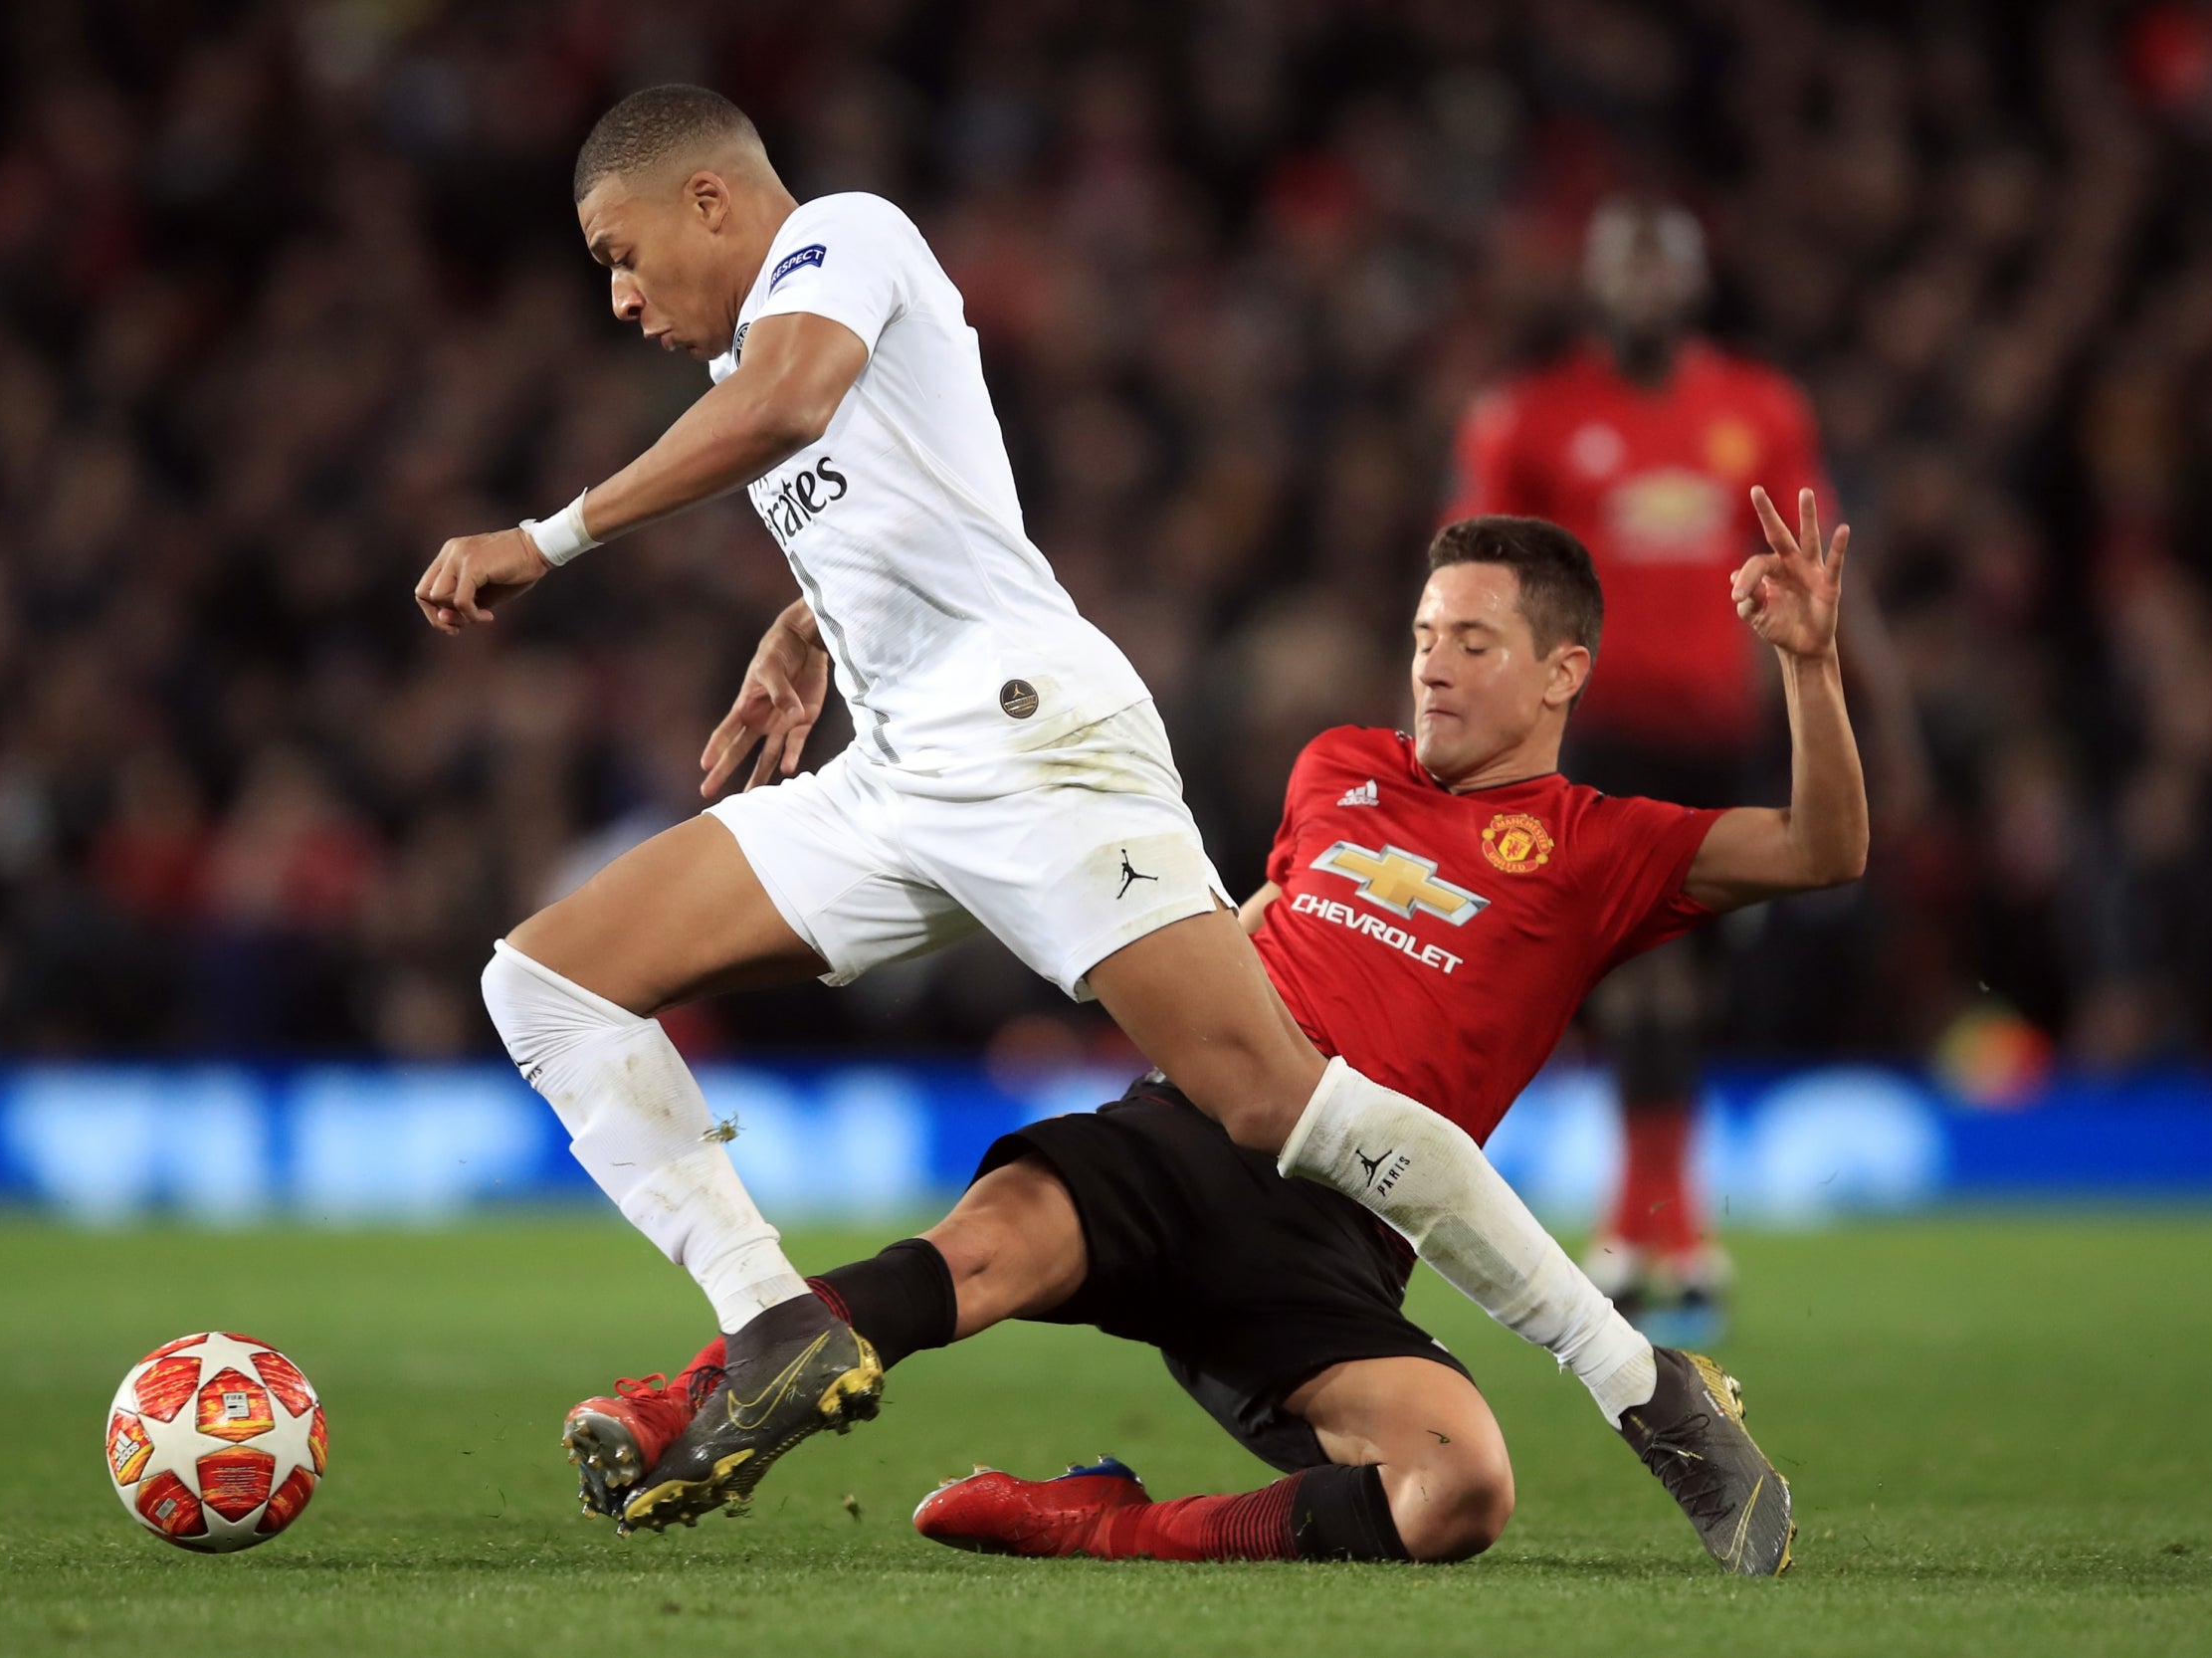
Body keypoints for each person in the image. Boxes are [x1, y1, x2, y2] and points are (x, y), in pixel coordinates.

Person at [417, 85, 1716, 1543]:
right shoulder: (783, 335)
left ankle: (1638, 1378)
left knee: (1271, 1100)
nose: (618, 294)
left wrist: (547, 537)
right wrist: (814, 621)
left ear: (708, 200)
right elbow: (921, 496)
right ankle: (773, 1318)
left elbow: (785, 402)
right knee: (544, 978)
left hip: (1032, 744)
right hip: (902, 770)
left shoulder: (840, 238)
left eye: (619, 248)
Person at [577, 498, 1864, 1576]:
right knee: (973, 1256)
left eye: (1474, 641)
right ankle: (673, 1403)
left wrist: (1807, 661)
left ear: (1563, 670)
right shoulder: (1336, 768)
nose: (1432, 664)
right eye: (1425, 635)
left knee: (1458, 1488)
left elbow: (1824, 848)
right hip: (1182, 1131)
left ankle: (1106, 1522)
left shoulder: (1599, 846)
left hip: (1338, 1233)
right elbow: (1252, 923)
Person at [1449, 197, 1844, 1343]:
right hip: (1591, 735)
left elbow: (1806, 574)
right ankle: (1656, 1229)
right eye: (1622, 261)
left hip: (1717, 733)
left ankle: (1657, 1228)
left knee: (1691, 989)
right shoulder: (1534, 416)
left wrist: (1857, 721)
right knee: (1630, 981)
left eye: (1660, 261)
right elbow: (1477, 578)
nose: (1642, 282)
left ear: (1693, 279)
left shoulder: (1755, 410)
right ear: (1593, 280)